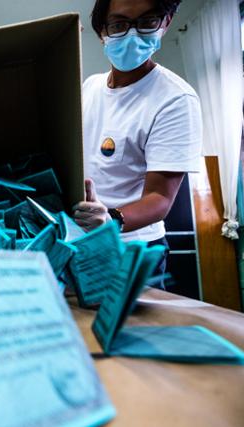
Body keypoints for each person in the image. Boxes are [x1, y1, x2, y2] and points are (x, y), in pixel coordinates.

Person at [72, 0, 202, 284]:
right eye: (118, 24)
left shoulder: (175, 99)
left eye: (146, 22)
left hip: (133, 248)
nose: (132, 35)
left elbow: (160, 199)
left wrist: (112, 220)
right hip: (81, 242)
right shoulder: (89, 87)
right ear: (101, 32)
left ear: (165, 22)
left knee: (133, 328)